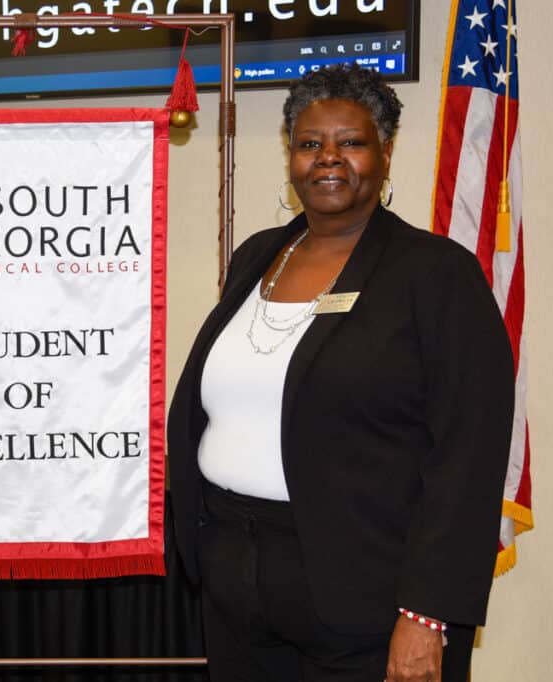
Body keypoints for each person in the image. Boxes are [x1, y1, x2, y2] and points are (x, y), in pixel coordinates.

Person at [167, 65, 514, 682]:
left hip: (366, 599)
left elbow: (469, 455)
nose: (328, 158)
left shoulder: (436, 275)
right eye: (309, 143)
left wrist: (427, 614)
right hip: (237, 583)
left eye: (350, 142)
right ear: (291, 156)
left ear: (383, 152)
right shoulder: (257, 255)